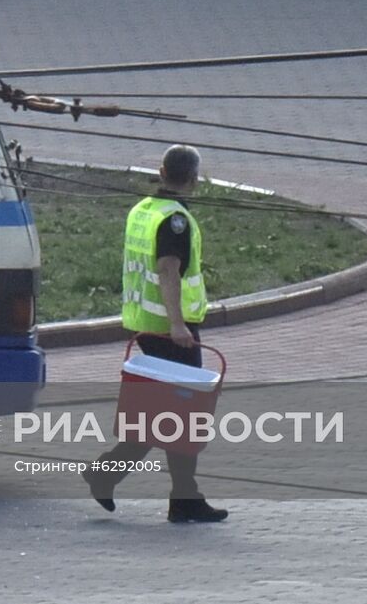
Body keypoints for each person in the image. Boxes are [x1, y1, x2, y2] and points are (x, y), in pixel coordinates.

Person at [82, 144, 229, 524]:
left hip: (147, 327)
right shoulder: (174, 220)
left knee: (164, 417)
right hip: (171, 332)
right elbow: (167, 270)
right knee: (183, 415)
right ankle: (179, 497)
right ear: (194, 180)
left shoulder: (143, 210)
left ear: (161, 172)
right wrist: (179, 324)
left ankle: (164, 492)